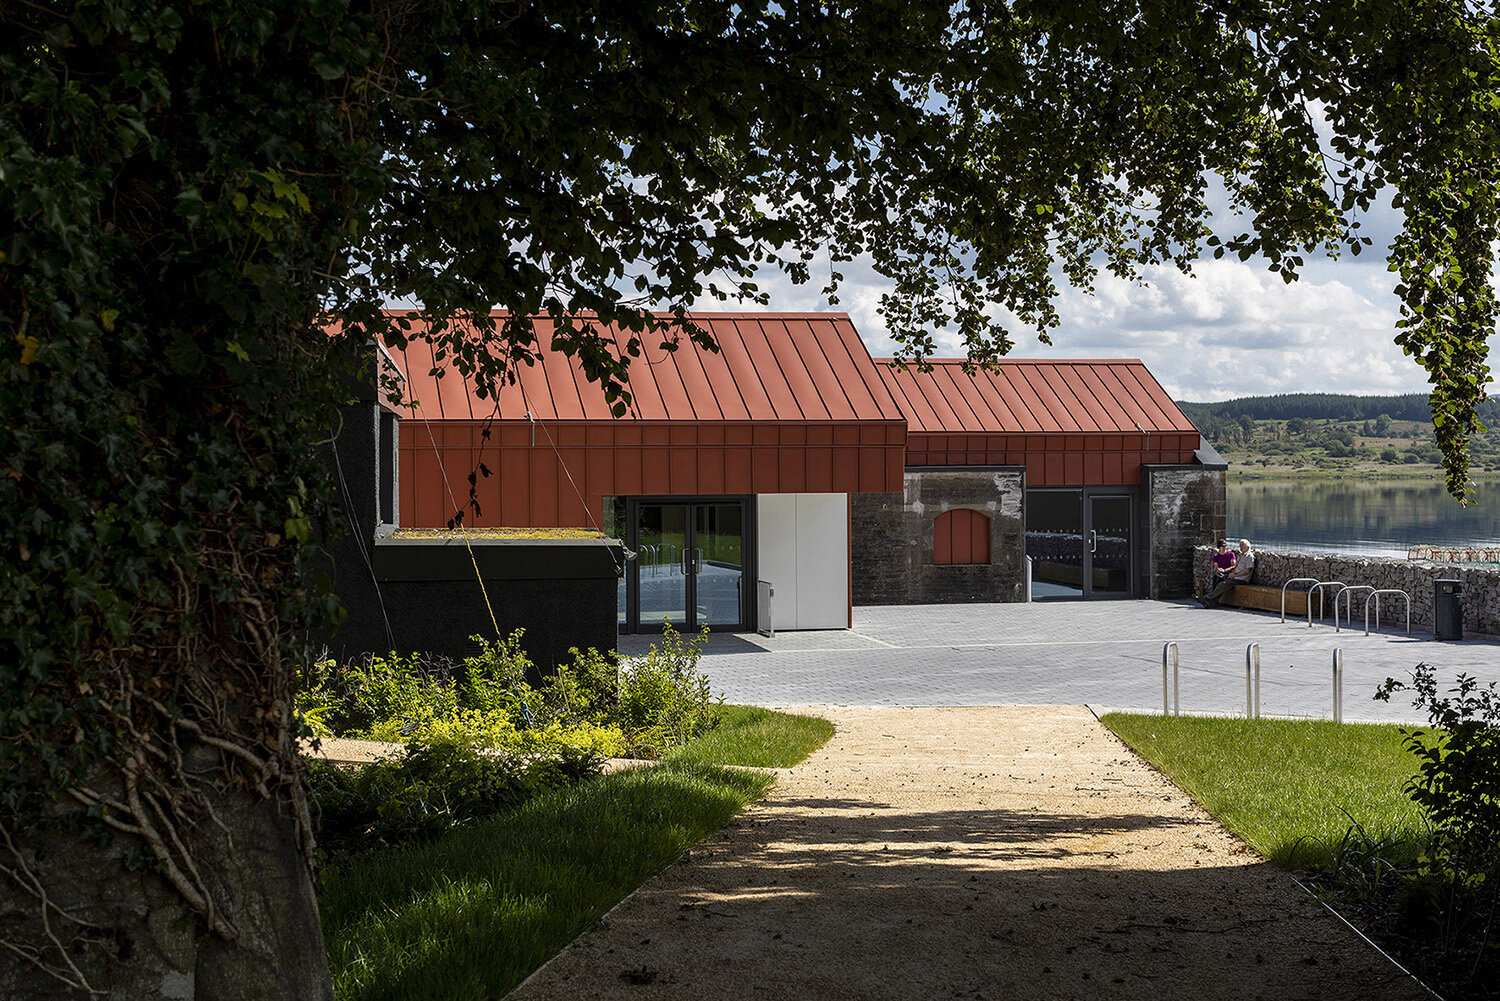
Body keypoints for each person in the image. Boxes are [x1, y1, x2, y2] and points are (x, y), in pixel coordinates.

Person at [1201, 539, 1254, 607]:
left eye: (1243, 545)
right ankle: (1210, 603)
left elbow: (1247, 571)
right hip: (1235, 576)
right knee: (1219, 581)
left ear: (1248, 547)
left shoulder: (1249, 556)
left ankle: (1207, 598)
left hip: (1241, 579)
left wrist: (1234, 574)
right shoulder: (1241, 555)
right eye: (1240, 545)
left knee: (1223, 584)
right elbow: (1235, 567)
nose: (1241, 547)